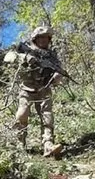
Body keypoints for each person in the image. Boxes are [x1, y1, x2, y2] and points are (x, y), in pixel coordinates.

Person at [12, 26, 64, 158]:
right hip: (27, 89)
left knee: (47, 117)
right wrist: (25, 59)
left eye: (46, 38)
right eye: (41, 38)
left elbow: (58, 69)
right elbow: (11, 56)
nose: (43, 40)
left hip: (44, 89)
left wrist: (57, 77)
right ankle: (20, 145)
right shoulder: (26, 50)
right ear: (35, 39)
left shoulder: (51, 56)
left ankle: (48, 145)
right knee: (21, 115)